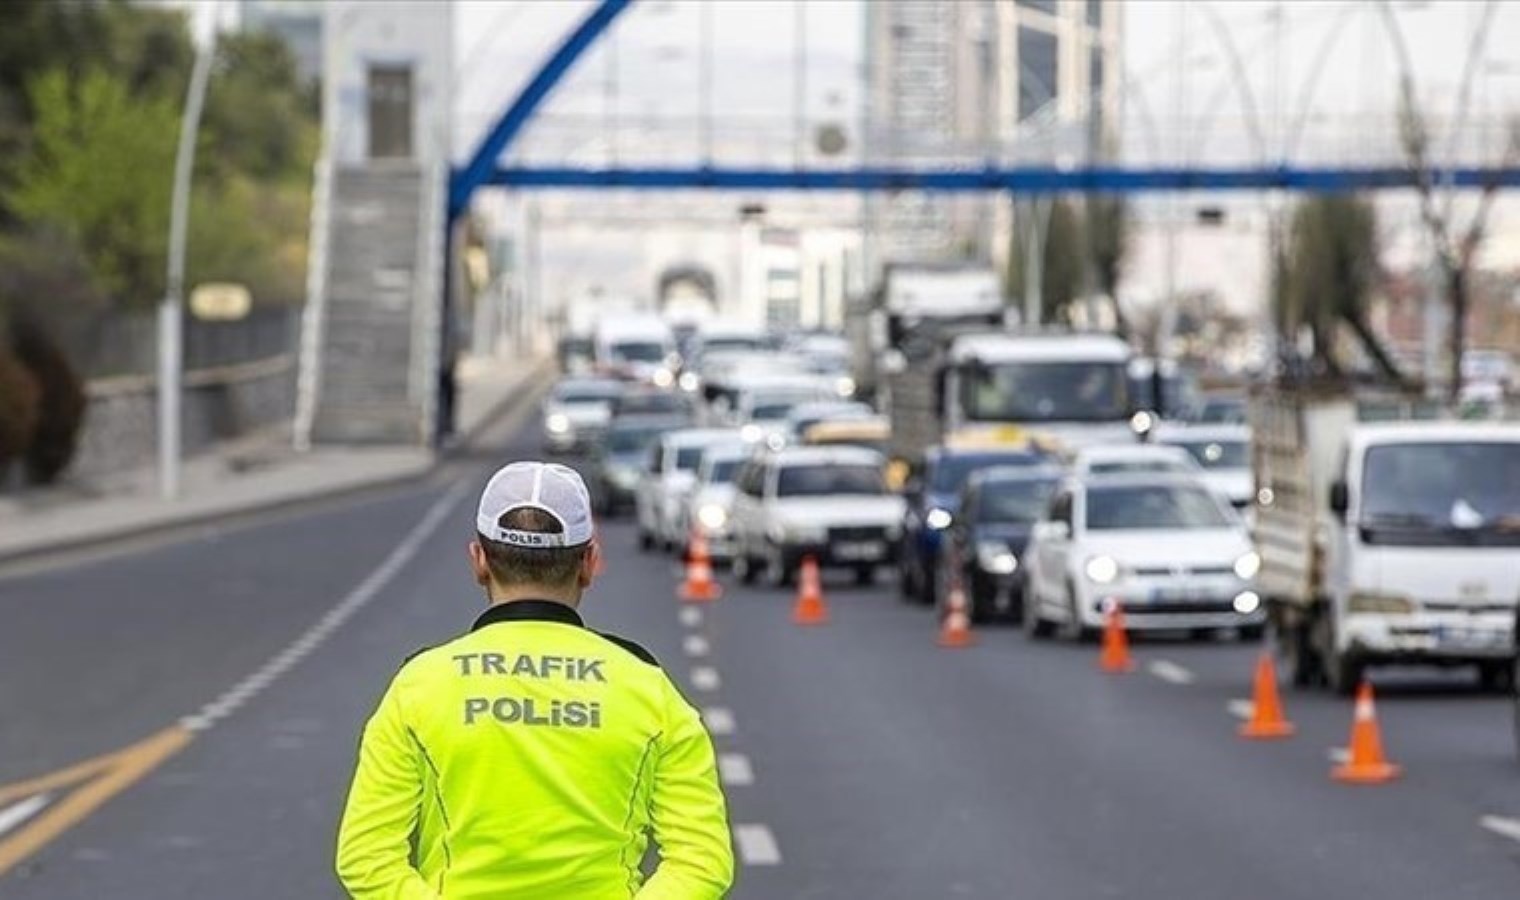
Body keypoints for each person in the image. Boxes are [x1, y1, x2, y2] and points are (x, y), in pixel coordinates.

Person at [336, 462, 734, 899]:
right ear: (589, 563)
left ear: (480, 561)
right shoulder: (648, 688)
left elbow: (365, 856)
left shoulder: (420, 685)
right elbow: (702, 859)